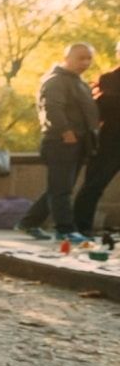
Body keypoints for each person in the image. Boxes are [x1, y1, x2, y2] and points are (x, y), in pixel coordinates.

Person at [16, 43, 99, 243]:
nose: (85, 62)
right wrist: (65, 131)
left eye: (89, 58)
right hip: (61, 141)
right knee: (61, 189)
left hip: (79, 141)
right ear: (67, 57)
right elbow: (52, 107)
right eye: (81, 58)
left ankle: (29, 222)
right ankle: (65, 230)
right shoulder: (55, 81)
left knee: (60, 188)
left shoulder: (79, 82)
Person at [73, 48, 120, 236]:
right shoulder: (109, 78)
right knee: (94, 184)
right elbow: (102, 107)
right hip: (111, 139)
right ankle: (81, 227)